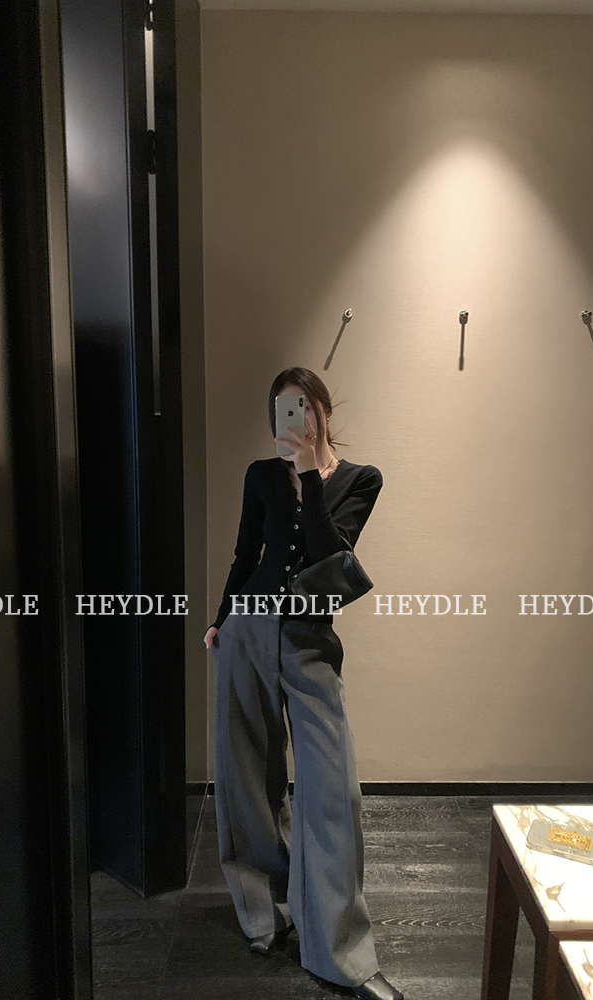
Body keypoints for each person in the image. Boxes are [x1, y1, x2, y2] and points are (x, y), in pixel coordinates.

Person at [203, 368, 403, 1000]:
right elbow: (246, 555)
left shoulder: (359, 479)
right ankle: (264, 914)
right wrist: (221, 619)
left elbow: (328, 557)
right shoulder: (260, 476)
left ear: (323, 411)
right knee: (246, 777)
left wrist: (312, 475)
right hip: (247, 631)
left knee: (331, 792)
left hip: (310, 639)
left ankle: (342, 953)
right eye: (283, 409)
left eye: (304, 407)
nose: (295, 418)